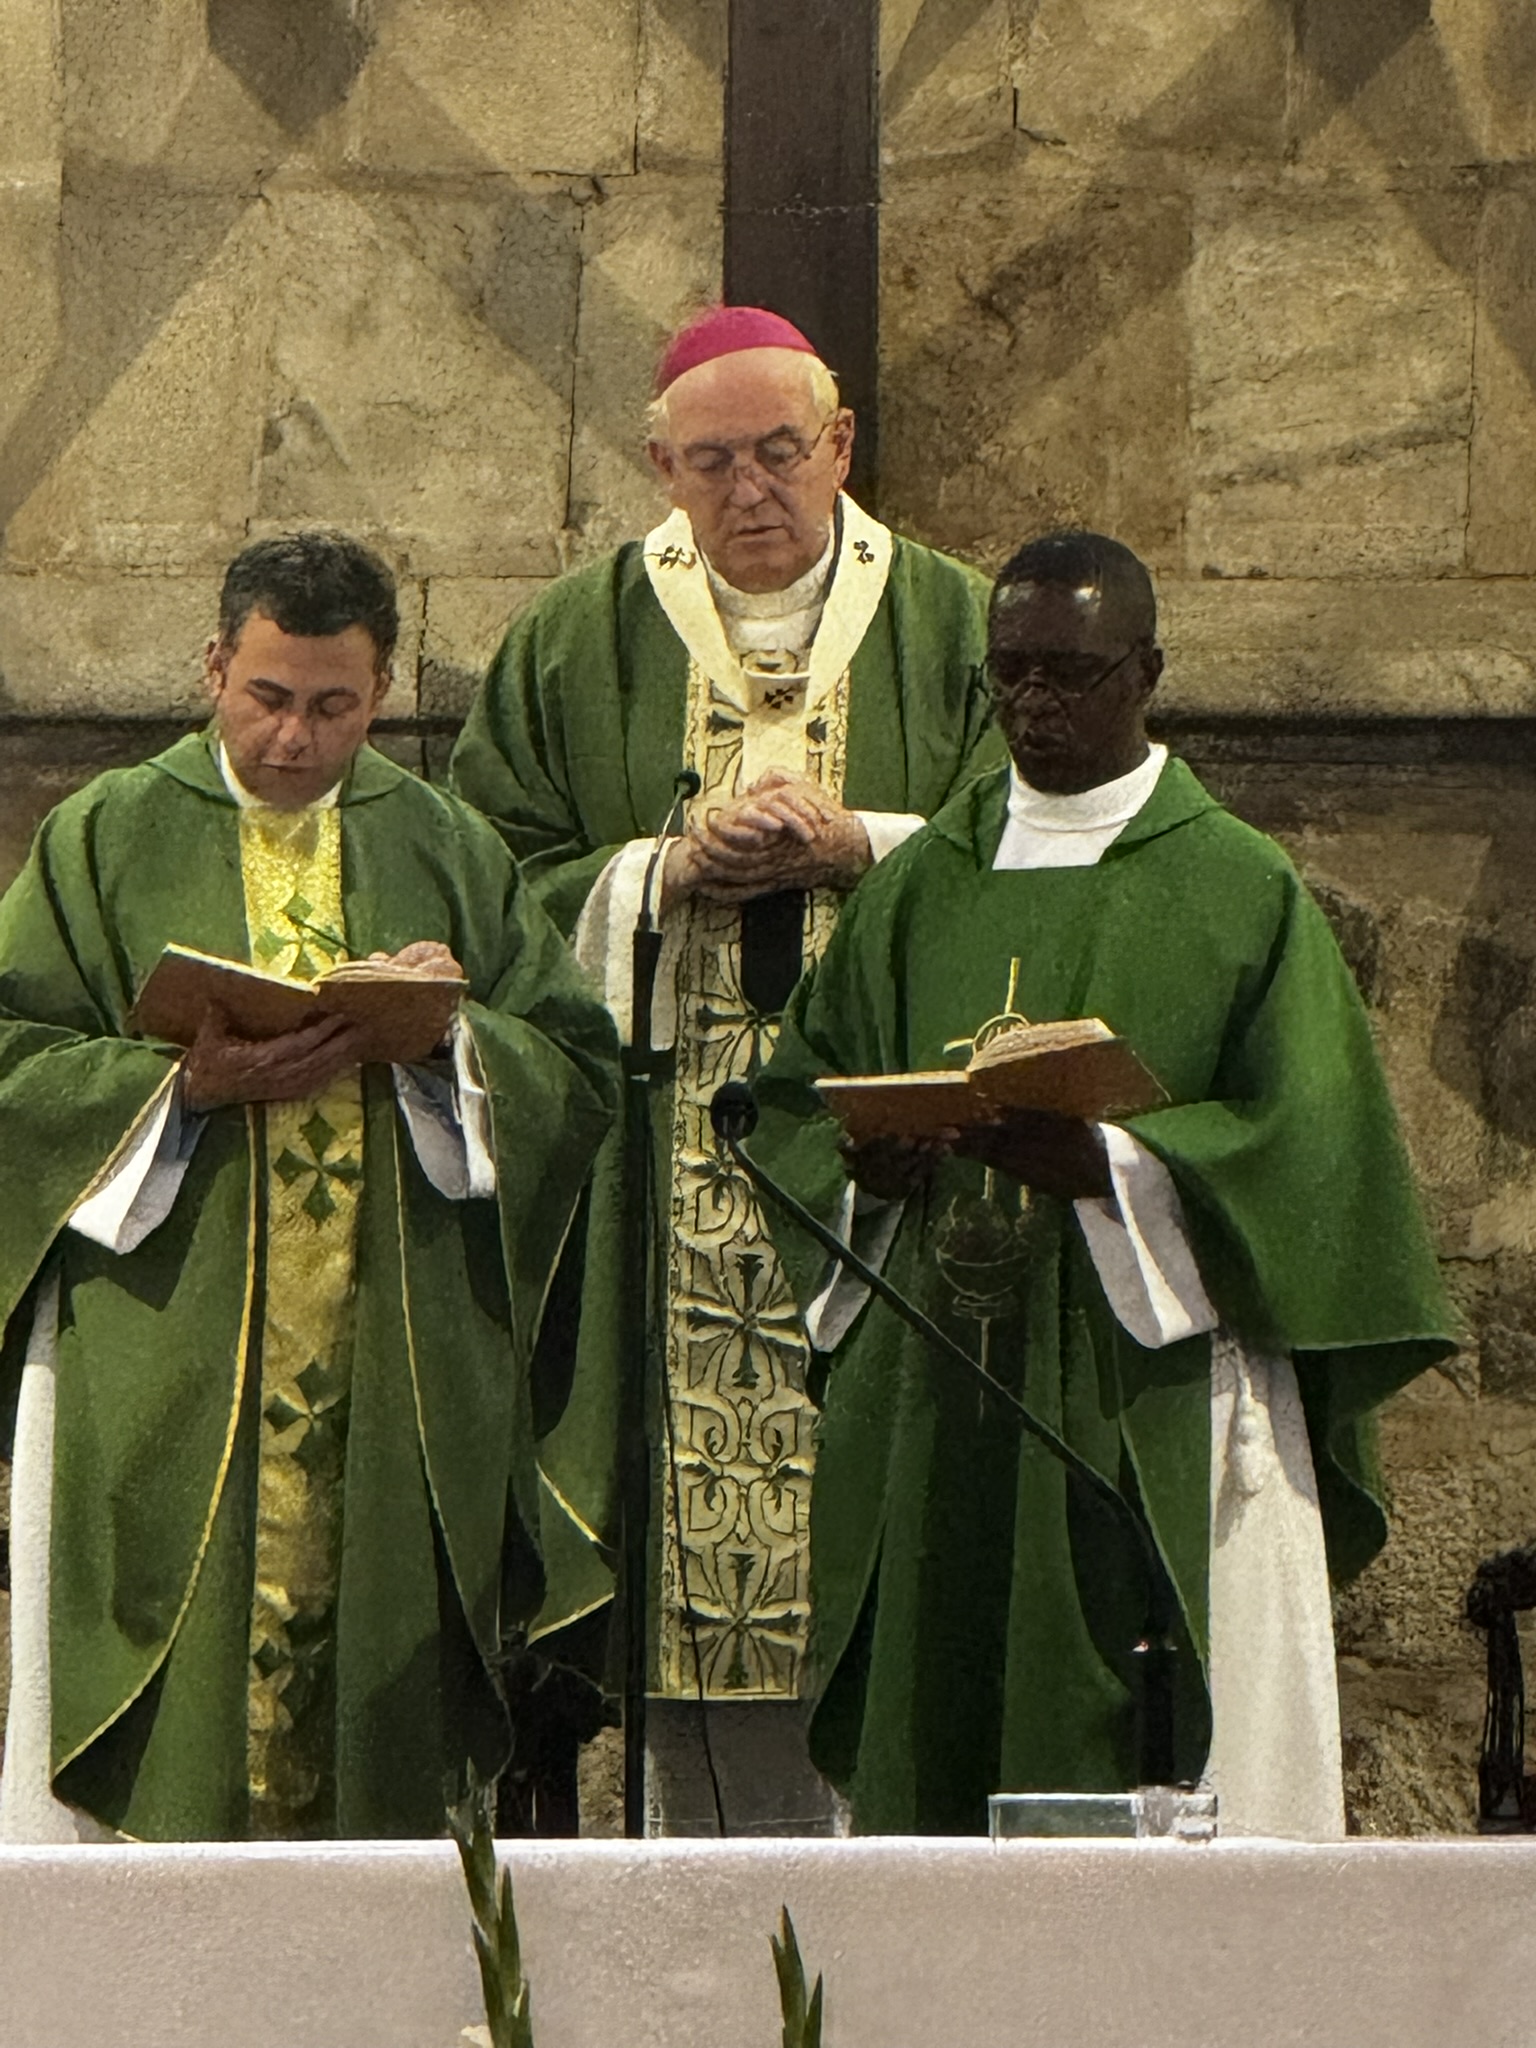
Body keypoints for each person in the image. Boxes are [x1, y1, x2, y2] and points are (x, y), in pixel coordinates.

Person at [750, 529, 1458, 1838]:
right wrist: (870, 1166)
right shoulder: (921, 885)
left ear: (1148, 675)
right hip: (947, 1378)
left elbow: (1314, 1148)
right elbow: (799, 1094)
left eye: (1068, 676)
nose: (1031, 705)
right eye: (1007, 674)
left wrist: (1119, 1168)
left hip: (1151, 1389)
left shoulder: (1236, 888)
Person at [449, 305, 999, 1789]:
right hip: (657, 1172)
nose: (748, 490)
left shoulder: (958, 625)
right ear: (657, 464)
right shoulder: (578, 635)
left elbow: (1036, 855)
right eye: (709, 463)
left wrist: (866, 842)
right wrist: (664, 873)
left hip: (892, 1174)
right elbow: (489, 883)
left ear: (840, 445)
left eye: (777, 452)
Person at [0, 531, 618, 1842]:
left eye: (335, 706)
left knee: (376, 1761)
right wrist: (180, 1088)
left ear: (382, 690)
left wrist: (451, 1038)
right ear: (215, 664)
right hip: (169, 1357)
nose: (295, 738)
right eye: (268, 697)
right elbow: (13, 1070)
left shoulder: (445, 843)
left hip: (388, 1382)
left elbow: (574, 1070)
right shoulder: (104, 835)